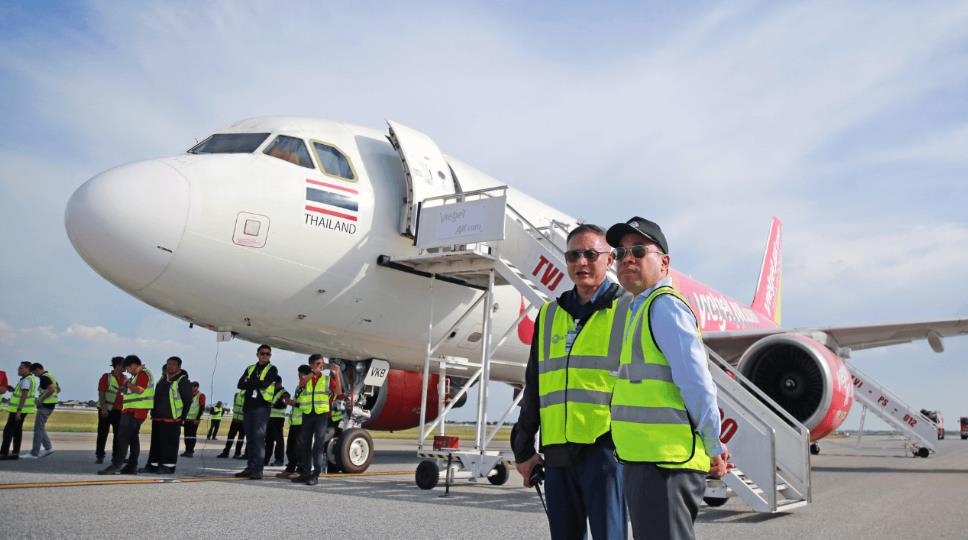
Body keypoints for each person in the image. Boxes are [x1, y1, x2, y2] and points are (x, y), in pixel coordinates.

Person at [605, 217, 731, 540]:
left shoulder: (665, 308)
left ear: (664, 262)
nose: (627, 258)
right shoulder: (639, 308)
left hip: (667, 465)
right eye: (620, 253)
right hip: (646, 461)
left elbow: (697, 383)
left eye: (637, 249)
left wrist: (713, 444)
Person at [510, 224, 630, 540]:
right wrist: (523, 448)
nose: (581, 262)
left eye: (591, 254)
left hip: (605, 452)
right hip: (558, 452)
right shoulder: (550, 315)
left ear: (610, 260)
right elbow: (534, 384)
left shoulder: (629, 310)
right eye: (573, 255)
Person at [99, 355, 153, 475]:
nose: (127, 371)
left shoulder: (143, 374)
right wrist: (124, 389)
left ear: (133, 365)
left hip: (135, 411)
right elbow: (134, 391)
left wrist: (127, 384)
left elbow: (139, 390)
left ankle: (116, 465)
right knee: (133, 439)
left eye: (128, 368)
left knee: (123, 438)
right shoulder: (138, 375)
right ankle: (131, 466)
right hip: (134, 411)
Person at [293, 354, 341, 485]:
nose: (322, 366)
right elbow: (302, 384)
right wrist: (313, 372)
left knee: (318, 445)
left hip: (321, 414)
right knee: (305, 444)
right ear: (312, 365)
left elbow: (339, 392)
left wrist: (336, 375)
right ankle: (306, 472)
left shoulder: (326, 379)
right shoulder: (306, 378)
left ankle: (316, 474)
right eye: (319, 363)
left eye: (322, 363)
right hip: (308, 413)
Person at [142, 356, 192, 474]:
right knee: (156, 444)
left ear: (179, 367)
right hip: (158, 418)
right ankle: (152, 465)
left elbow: (187, 400)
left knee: (169, 444)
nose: (170, 366)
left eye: (173, 364)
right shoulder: (162, 379)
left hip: (172, 420)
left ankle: (168, 466)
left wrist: (182, 417)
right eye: (168, 364)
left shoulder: (183, 381)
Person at [235, 344, 278, 480]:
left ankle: (258, 470)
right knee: (250, 439)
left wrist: (250, 381)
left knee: (259, 439)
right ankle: (250, 467)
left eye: (267, 354)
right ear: (257, 354)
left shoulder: (272, 369)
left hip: (262, 407)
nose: (265, 356)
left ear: (270, 356)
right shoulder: (250, 368)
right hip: (248, 407)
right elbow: (240, 384)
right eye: (262, 353)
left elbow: (265, 384)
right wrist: (256, 382)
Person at [277, 364, 310, 479]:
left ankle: (301, 470)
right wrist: (291, 402)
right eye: (299, 376)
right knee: (290, 448)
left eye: (301, 376)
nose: (299, 378)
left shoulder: (310, 387)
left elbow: (307, 405)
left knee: (299, 448)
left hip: (303, 422)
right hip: (295, 421)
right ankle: (290, 468)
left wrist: (292, 403)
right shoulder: (299, 387)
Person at [1, 362, 37, 460]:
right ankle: (15, 453)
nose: (18, 369)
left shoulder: (26, 380)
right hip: (23, 409)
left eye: (21, 368)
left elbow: (24, 395)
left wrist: (18, 411)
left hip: (18, 410)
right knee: (17, 431)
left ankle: (4, 453)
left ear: (28, 369)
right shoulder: (30, 379)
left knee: (8, 431)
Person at [24, 362, 59, 459]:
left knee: (38, 429)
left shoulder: (44, 377)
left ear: (37, 370)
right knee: (41, 427)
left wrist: (41, 399)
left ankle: (34, 453)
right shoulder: (50, 375)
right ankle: (48, 448)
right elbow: (58, 389)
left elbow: (51, 389)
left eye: (34, 373)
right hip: (51, 405)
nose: (34, 375)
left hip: (45, 406)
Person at [95, 356, 126, 464]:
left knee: (118, 435)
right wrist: (104, 408)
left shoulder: (126, 378)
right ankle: (100, 455)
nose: (126, 367)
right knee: (102, 433)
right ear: (117, 365)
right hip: (106, 410)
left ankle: (116, 457)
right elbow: (101, 393)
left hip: (119, 411)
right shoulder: (106, 377)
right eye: (124, 365)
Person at [264, 376, 288, 467]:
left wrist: (271, 405)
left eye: (273, 384)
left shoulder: (284, 393)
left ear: (278, 383)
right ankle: (265, 459)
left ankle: (279, 460)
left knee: (278, 440)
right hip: (269, 419)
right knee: (268, 440)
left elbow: (283, 404)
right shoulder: (272, 392)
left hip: (278, 419)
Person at [217, 389, 246, 459]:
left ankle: (236, 453)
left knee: (240, 438)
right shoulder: (237, 395)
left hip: (243, 421)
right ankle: (227, 452)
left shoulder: (249, 395)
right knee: (231, 437)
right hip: (235, 420)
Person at [181, 381, 205, 457]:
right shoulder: (189, 395)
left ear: (197, 387)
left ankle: (190, 451)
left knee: (192, 435)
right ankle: (187, 450)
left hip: (194, 420)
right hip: (187, 419)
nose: (191, 388)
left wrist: (197, 419)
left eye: (193, 387)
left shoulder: (201, 395)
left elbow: (202, 408)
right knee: (186, 435)